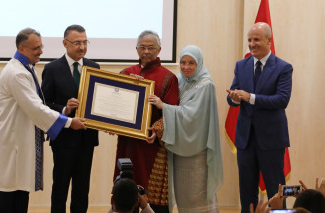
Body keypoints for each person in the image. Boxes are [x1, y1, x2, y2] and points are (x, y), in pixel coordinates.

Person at [0, 28, 86, 213]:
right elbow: (36, 108)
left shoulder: (24, 69)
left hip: (17, 141)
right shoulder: (17, 73)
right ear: (22, 48)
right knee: (9, 198)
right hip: (12, 143)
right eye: (36, 48)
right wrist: (68, 122)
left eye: (41, 46)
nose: (41, 51)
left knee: (19, 194)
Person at [226, 22, 293, 213]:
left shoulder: (283, 67)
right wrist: (235, 99)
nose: (252, 44)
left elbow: (282, 100)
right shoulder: (241, 65)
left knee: (277, 190)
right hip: (245, 140)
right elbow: (232, 98)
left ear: (269, 41)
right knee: (247, 192)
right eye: (249, 40)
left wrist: (250, 97)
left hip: (272, 140)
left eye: (256, 40)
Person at [148, 45, 224, 212]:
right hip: (179, 152)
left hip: (197, 153)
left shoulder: (206, 85)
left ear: (199, 63)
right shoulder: (179, 80)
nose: (186, 67)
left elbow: (192, 116)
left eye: (191, 63)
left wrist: (164, 106)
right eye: (183, 62)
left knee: (199, 200)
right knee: (184, 200)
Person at [113, 30, 179, 213]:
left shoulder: (168, 78)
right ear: (136, 49)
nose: (146, 52)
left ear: (159, 50)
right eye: (142, 47)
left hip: (152, 146)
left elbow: (172, 113)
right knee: (124, 189)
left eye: (151, 48)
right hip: (127, 143)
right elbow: (114, 106)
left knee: (152, 196)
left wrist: (156, 130)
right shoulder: (125, 73)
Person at [41, 25, 100, 213]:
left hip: (87, 138)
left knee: (82, 190)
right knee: (60, 188)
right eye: (77, 43)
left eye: (85, 42)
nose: (82, 47)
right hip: (63, 139)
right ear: (65, 43)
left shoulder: (94, 67)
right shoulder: (52, 69)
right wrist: (64, 109)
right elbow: (44, 104)